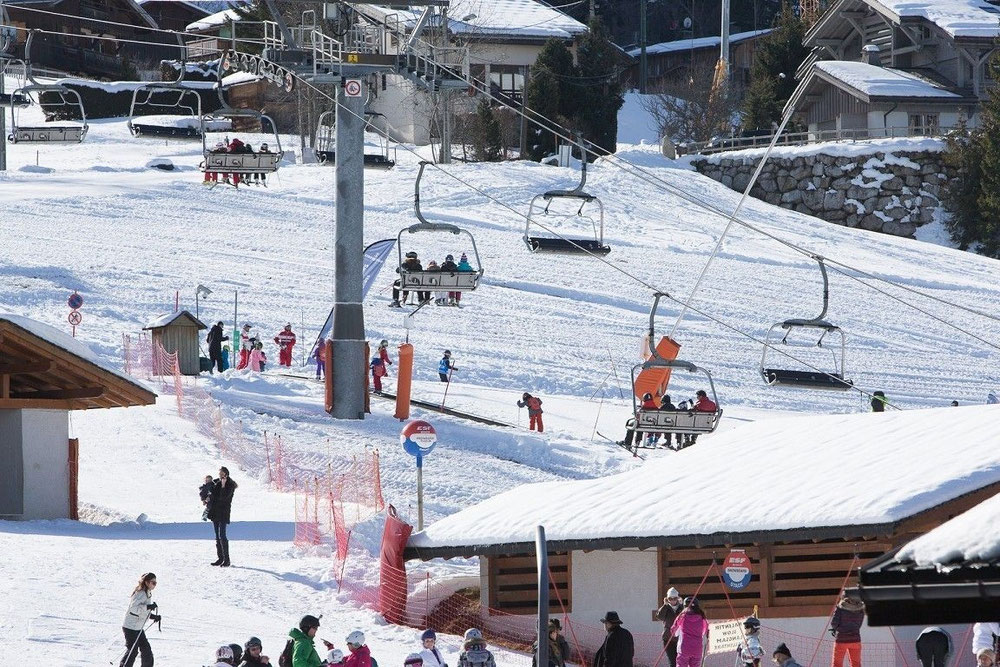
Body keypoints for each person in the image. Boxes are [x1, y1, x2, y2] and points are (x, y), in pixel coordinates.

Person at [119, 572, 160, 667]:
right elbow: (133, 609)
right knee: (133, 651)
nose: (154, 585)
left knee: (146, 649)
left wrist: (153, 616)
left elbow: (142, 611)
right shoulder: (140, 593)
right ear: (146, 582)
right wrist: (148, 606)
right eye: (153, 582)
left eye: (155, 583)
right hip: (130, 627)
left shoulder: (147, 593)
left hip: (137, 628)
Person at [208, 466, 237, 566]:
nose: (219, 475)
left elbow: (224, 498)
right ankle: (220, 558)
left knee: (222, 536)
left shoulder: (230, 484)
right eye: (219, 473)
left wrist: (224, 486)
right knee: (217, 536)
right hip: (215, 512)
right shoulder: (218, 483)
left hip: (223, 513)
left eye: (221, 473)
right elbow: (214, 495)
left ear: (225, 473)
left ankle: (227, 560)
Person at [670, 598, 708, 667]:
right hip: (697, 649)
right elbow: (704, 632)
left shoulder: (682, 616)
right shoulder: (702, 618)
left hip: (684, 648)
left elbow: (674, 632)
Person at [830, 594, 865, 667]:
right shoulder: (860, 608)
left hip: (841, 639)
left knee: (837, 664)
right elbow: (859, 625)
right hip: (856, 639)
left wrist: (838, 629)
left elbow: (834, 623)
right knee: (856, 664)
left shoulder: (840, 607)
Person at [656, 588, 684, 666]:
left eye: (675, 598)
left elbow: (687, 616)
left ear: (677, 598)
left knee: (681, 662)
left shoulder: (681, 608)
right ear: (667, 599)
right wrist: (665, 605)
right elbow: (659, 617)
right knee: (672, 662)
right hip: (668, 639)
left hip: (680, 639)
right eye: (670, 598)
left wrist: (682, 606)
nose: (672, 600)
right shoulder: (666, 608)